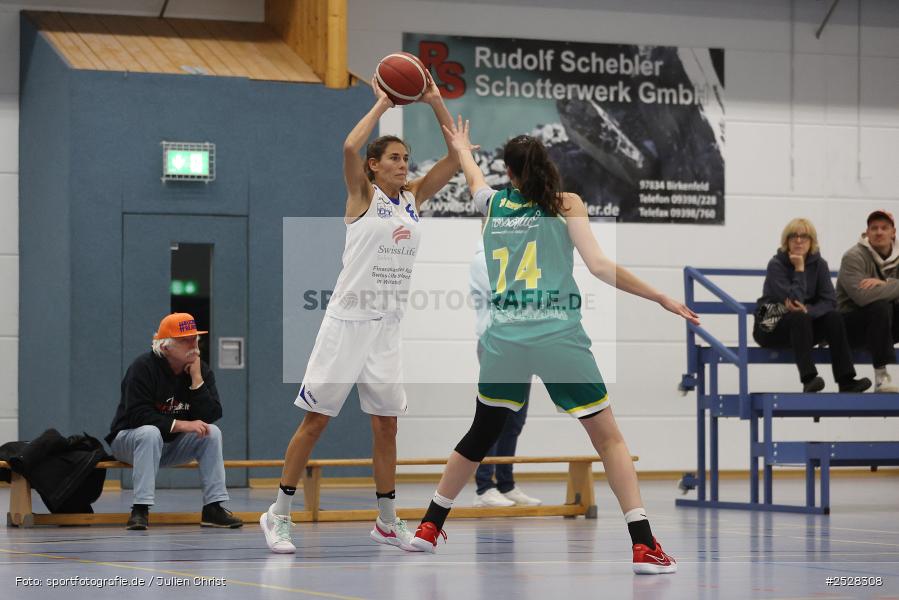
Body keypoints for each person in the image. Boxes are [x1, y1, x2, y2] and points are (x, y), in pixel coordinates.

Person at [406, 117, 698, 574]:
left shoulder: (494, 206)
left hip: (505, 339)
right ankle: (643, 545)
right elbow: (600, 266)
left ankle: (428, 526)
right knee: (610, 440)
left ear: (512, 174)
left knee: (480, 434)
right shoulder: (566, 204)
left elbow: (475, 178)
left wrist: (462, 146)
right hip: (558, 336)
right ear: (547, 165)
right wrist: (659, 296)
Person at [260, 74, 458, 554]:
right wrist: (382, 105)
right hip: (346, 323)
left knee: (387, 425)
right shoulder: (362, 197)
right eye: (393, 158)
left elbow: (455, 157)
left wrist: (433, 100)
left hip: (387, 330)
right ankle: (278, 513)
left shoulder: (412, 198)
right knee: (316, 421)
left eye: (406, 159)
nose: (402, 165)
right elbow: (349, 146)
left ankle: (387, 521)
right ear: (374, 167)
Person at [106, 313, 241, 530]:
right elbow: (137, 415)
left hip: (170, 445)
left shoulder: (200, 370)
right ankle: (140, 509)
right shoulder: (142, 367)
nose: (193, 344)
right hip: (129, 441)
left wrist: (197, 381)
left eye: (195, 338)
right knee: (149, 433)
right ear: (166, 346)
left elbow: (212, 413)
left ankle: (213, 508)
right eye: (185, 340)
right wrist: (180, 425)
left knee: (212, 432)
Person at [753, 218, 870, 393]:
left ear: (811, 241)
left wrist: (809, 310)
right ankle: (809, 380)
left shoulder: (820, 265)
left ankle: (846, 380)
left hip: (802, 325)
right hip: (770, 325)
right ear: (787, 241)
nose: (799, 240)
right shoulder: (776, 264)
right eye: (793, 236)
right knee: (799, 316)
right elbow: (792, 302)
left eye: (804, 237)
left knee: (834, 317)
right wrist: (799, 269)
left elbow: (830, 301)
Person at [470, 229, 541, 507]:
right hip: (496, 343)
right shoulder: (482, 260)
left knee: (515, 419)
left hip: (522, 342)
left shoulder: (518, 257)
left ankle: (506, 482)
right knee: (493, 420)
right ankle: (484, 487)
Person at [836, 210, 899, 392]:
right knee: (880, 307)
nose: (879, 232)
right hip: (850, 328)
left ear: (893, 232)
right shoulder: (853, 256)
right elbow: (863, 297)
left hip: (883, 328)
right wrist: (893, 288)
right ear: (867, 233)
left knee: (884, 308)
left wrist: (886, 283)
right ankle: (881, 377)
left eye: (884, 228)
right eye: (874, 228)